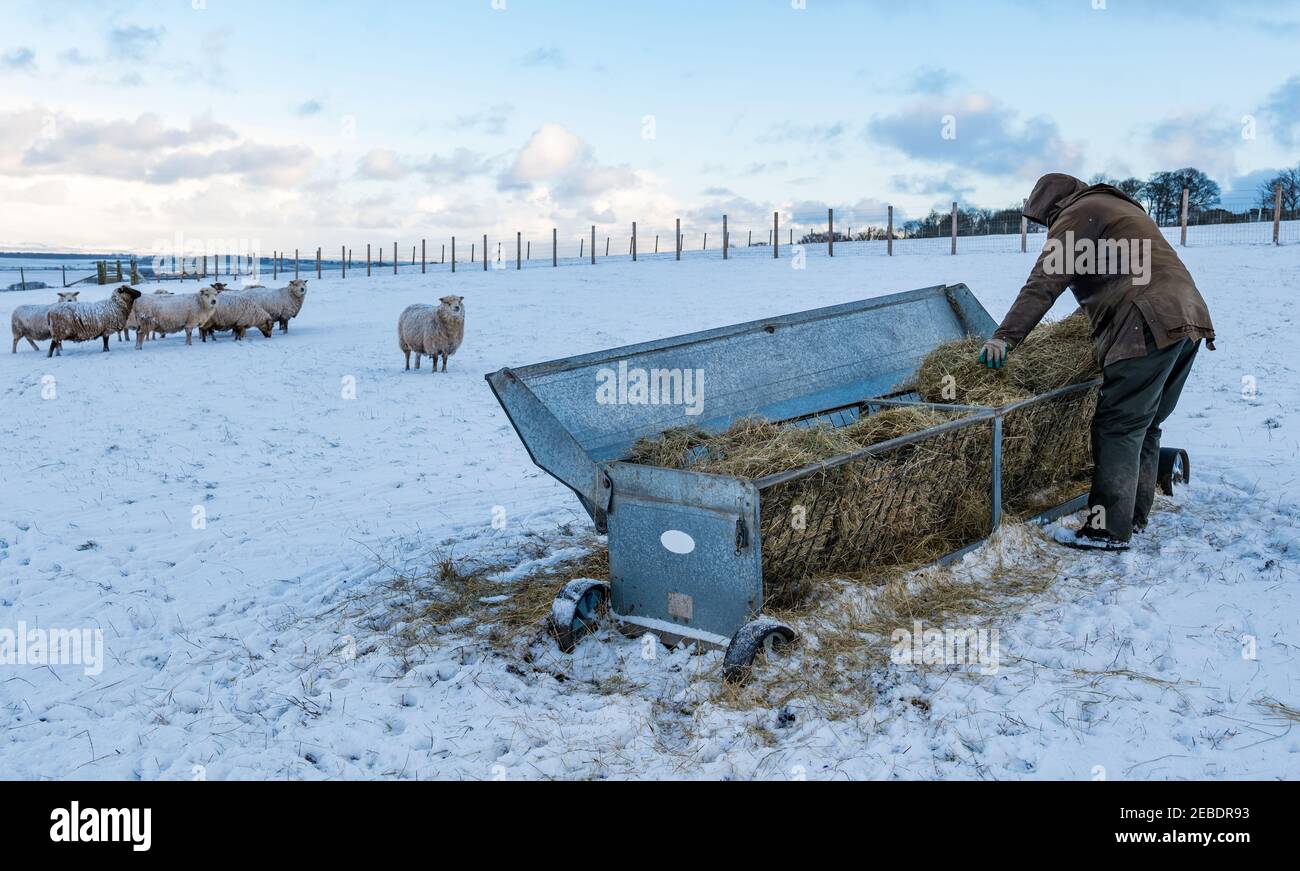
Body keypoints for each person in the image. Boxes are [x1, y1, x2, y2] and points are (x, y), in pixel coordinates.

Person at [979, 173, 1215, 551]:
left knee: (1117, 426)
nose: (1047, 229)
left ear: (1051, 206)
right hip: (1188, 320)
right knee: (1147, 423)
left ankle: (1105, 530)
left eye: (1044, 221)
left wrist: (1004, 337)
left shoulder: (1077, 214)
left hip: (1146, 325)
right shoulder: (1117, 207)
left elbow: (1043, 283)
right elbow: (1119, 276)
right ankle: (1133, 516)